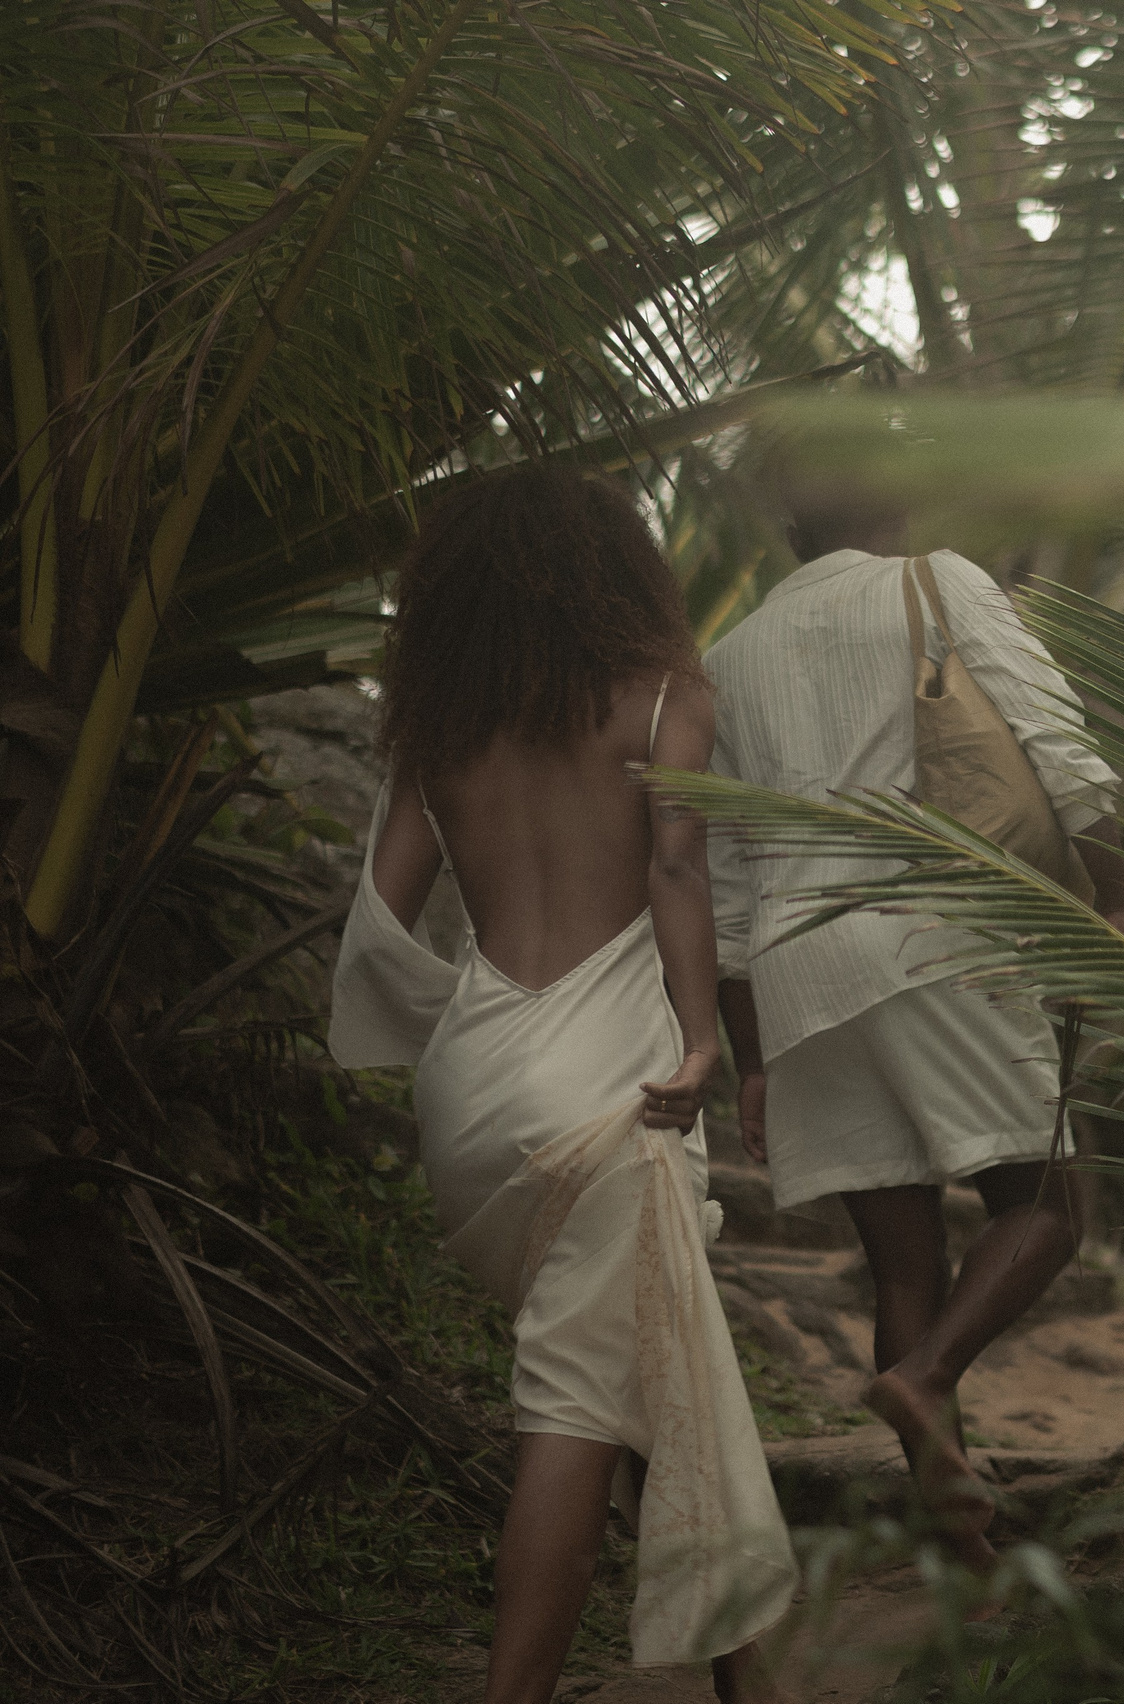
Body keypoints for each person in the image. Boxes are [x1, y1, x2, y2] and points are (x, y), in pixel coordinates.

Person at [329, 465, 794, 1704]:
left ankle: (754, 1682)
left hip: (478, 1084)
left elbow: (385, 913)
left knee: (650, 1345)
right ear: (616, 571)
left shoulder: (440, 731)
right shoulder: (664, 700)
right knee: (580, 1398)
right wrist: (703, 1046)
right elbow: (678, 871)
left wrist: (451, 1039)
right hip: (615, 1084)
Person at [705, 459, 1124, 1571]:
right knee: (1044, 1205)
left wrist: (751, 1062)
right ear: (898, 510)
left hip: (800, 965)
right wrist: (1120, 893)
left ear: (791, 527)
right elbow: (1056, 744)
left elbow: (723, 882)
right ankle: (926, 1377)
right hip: (931, 922)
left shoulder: (728, 660)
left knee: (904, 1267)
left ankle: (962, 1555)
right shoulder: (937, 583)